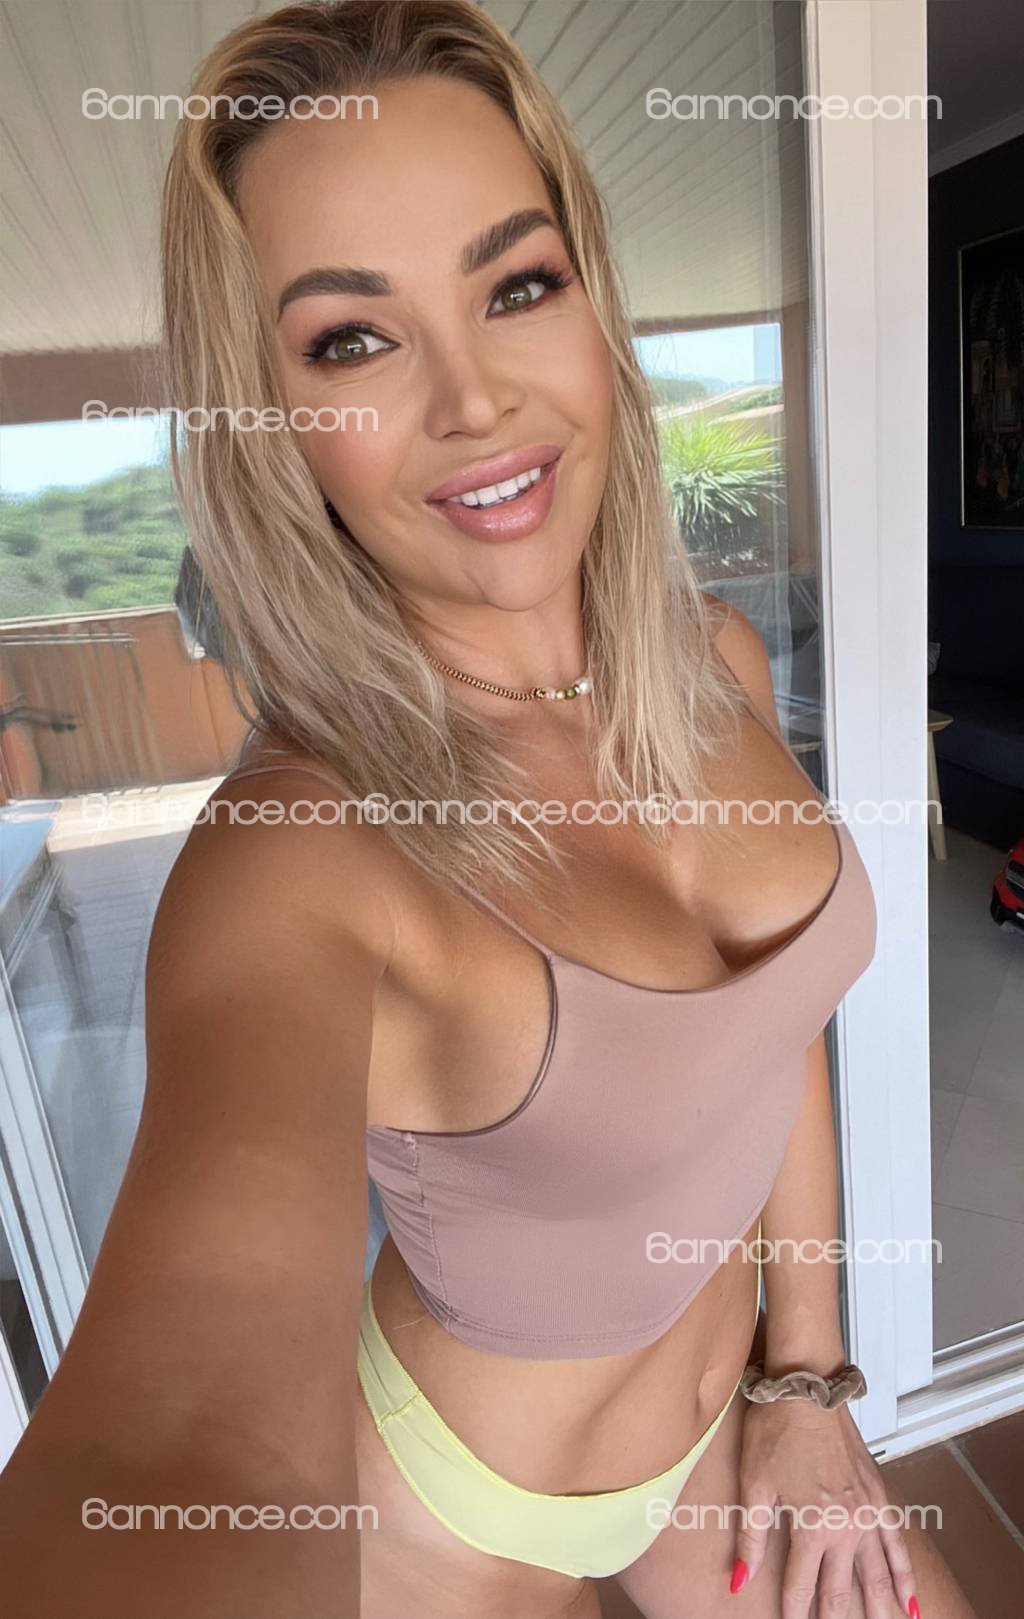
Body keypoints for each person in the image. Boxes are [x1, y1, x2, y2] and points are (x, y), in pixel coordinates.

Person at [0, 4, 977, 1617]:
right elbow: (179, 1434)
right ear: (270, 418)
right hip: (457, 1519)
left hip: (728, 1431)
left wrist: (807, 1379)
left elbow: (767, 1039)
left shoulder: (710, 662)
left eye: (516, 286)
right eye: (351, 340)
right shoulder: (298, 859)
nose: (472, 400)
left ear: (592, 305)